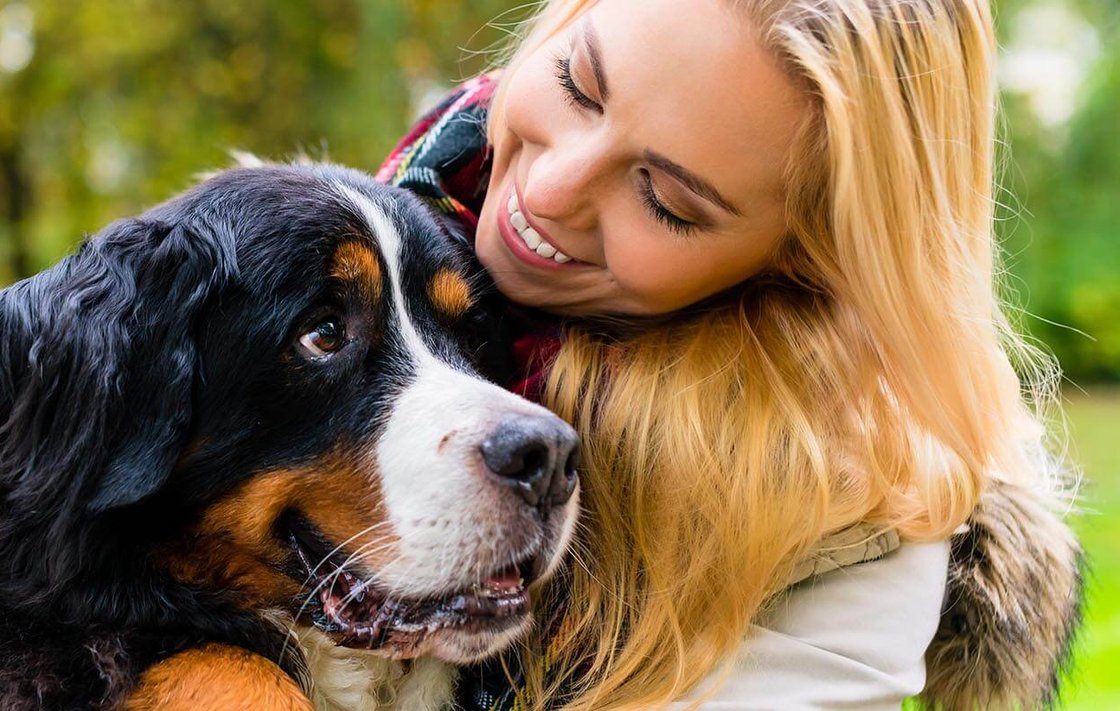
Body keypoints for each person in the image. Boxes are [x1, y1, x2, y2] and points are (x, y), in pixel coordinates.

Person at [376, 0, 1083, 708]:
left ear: (805, 266)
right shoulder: (371, 228)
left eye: (665, 199)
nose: (549, 190)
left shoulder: (844, 527)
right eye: (578, 85)